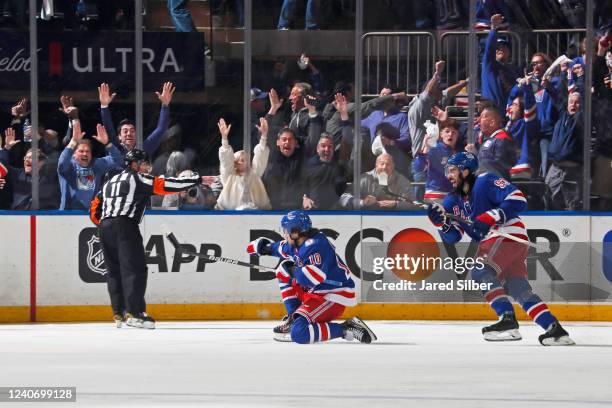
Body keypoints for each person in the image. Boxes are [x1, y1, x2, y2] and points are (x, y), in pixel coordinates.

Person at [427, 152, 574, 346]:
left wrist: (491, 216)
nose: (448, 175)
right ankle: (554, 329)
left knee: (480, 271)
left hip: (506, 234)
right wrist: (441, 224)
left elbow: (519, 199)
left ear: (466, 170)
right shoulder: (452, 201)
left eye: (452, 170)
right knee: (518, 287)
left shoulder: (484, 181)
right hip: (501, 241)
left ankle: (507, 319)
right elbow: (454, 237)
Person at [89, 149, 204, 329]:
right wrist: (196, 179)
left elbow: (95, 207)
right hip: (125, 225)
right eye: (143, 163)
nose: (147, 167)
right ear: (133, 164)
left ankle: (118, 313)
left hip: (105, 227)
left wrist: (106, 222)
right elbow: (166, 184)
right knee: (135, 268)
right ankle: (135, 314)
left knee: (114, 271)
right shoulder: (137, 178)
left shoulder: (110, 182)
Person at [247, 210, 377, 344]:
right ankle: (294, 317)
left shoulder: (316, 245)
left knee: (299, 334)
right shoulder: (298, 242)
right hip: (317, 293)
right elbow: (281, 248)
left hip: (332, 297)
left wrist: (289, 271)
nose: (284, 234)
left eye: (286, 231)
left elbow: (311, 279)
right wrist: (264, 248)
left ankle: (346, 328)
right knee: (284, 271)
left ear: (296, 232)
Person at [98, 82, 175, 162]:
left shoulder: (143, 149)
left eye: (132, 131)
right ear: (119, 137)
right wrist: (104, 106)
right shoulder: (114, 147)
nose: (129, 134)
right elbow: (108, 127)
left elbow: (161, 129)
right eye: (125, 131)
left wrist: (165, 105)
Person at [58, 122, 122, 210]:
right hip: (68, 213)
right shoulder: (69, 166)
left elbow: (118, 160)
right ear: (73, 154)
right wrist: (73, 142)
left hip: (92, 213)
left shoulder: (96, 164)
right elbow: (61, 163)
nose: (85, 154)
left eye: (87, 151)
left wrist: (107, 143)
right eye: (81, 151)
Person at [215, 118, 272, 210]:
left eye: (247, 160)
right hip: (231, 216)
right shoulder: (230, 176)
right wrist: (224, 138)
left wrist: (264, 136)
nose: (246, 162)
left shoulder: (253, 174)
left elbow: (260, 158)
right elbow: (226, 161)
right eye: (242, 160)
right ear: (235, 163)